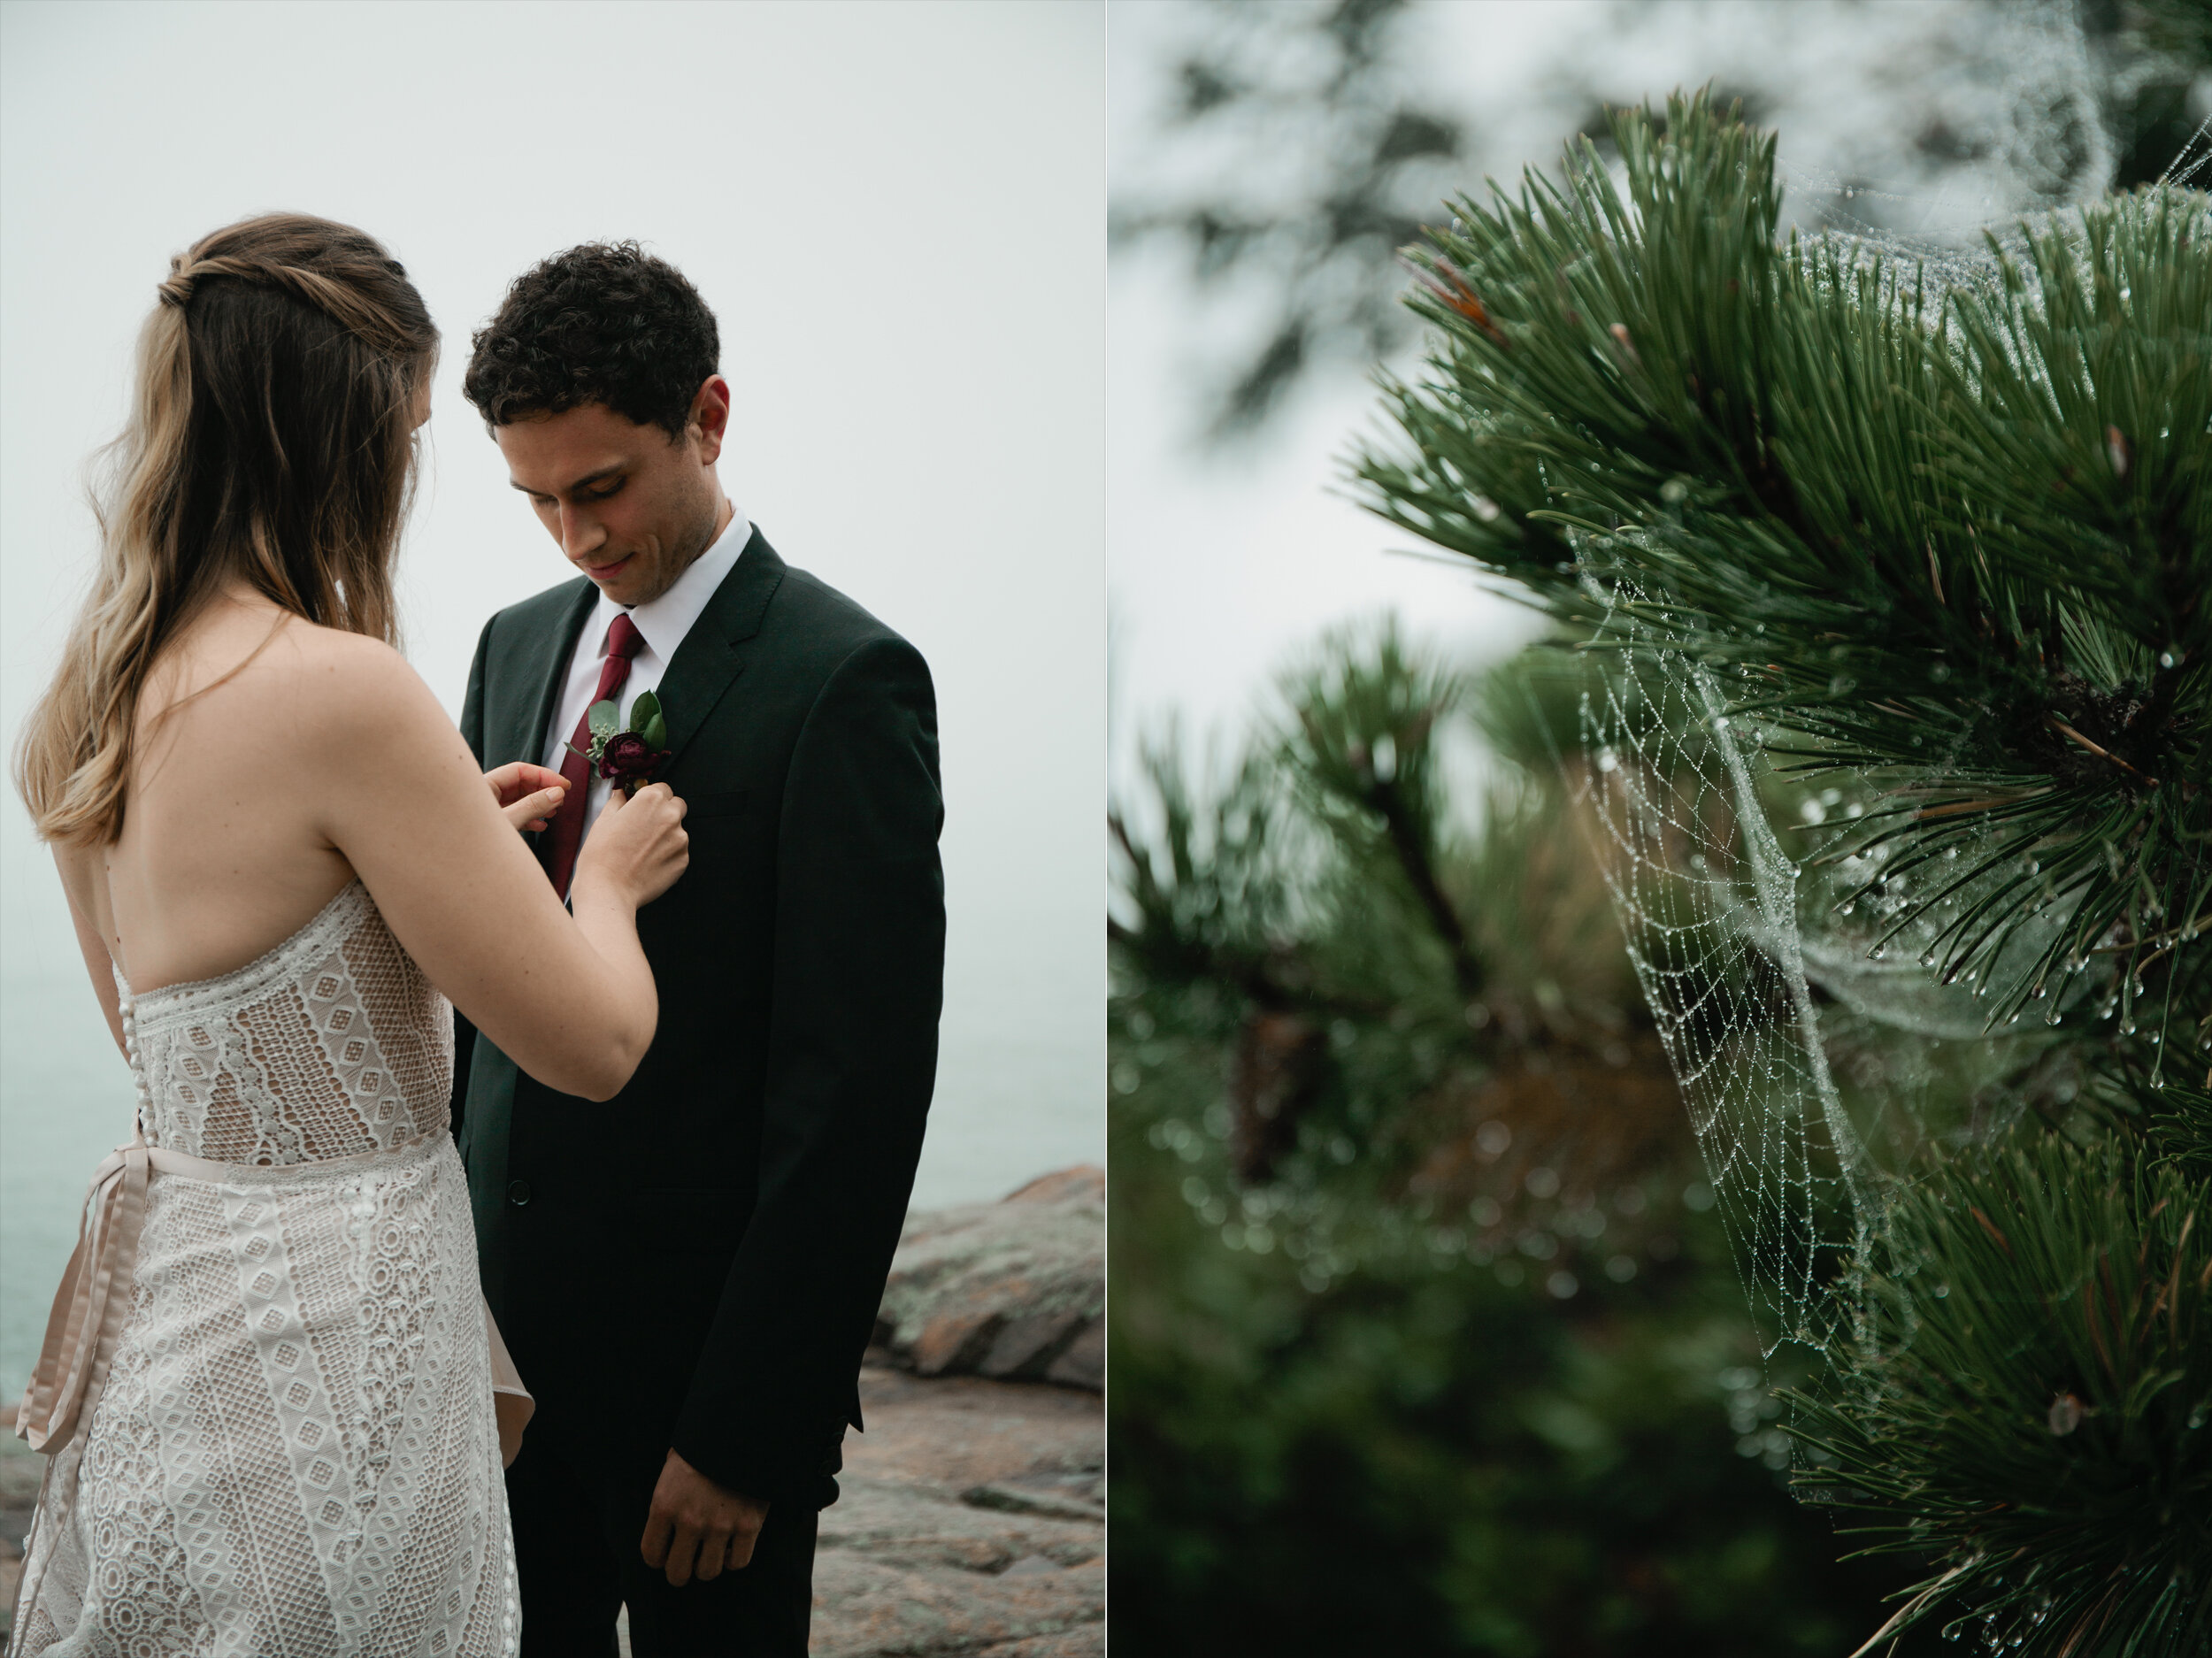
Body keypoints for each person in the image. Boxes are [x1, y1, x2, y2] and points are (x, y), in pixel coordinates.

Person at [7, 212, 689, 1656]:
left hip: (171, 1343)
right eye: (415, 428)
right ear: (344, 430)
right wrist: (607, 887)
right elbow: (593, 1042)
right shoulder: (347, 693)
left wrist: (420, 867)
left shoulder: (78, 707)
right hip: (345, 1358)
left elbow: (191, 1034)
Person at [451, 242, 944, 1656]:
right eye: (536, 498)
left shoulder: (842, 678)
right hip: (492, 1388)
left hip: (696, 1411)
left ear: (708, 418)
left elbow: (854, 1093)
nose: (573, 539)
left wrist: (750, 1431)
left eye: (600, 487)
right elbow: (480, 1018)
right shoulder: (512, 645)